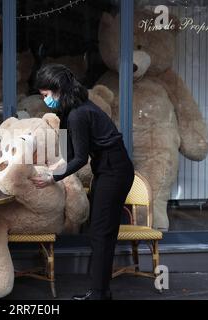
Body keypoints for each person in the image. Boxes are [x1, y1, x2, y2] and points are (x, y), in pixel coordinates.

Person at [30, 64, 135, 300]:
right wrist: (53, 167)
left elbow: (79, 159)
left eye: (46, 95)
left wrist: (53, 177)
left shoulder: (79, 114)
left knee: (101, 233)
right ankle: (100, 291)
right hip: (106, 169)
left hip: (114, 171)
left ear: (58, 90)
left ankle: (98, 294)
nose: (45, 100)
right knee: (99, 232)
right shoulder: (70, 111)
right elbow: (69, 155)